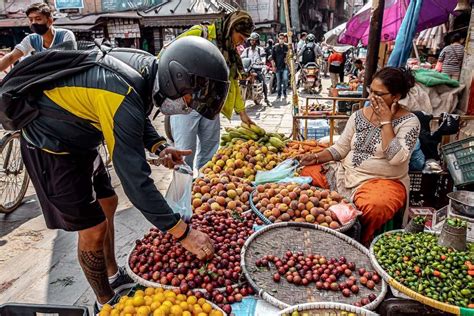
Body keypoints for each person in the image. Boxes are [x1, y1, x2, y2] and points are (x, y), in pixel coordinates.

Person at [8, 37, 227, 311]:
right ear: (177, 79)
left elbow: (135, 117)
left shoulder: (147, 69)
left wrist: (160, 146)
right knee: (93, 228)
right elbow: (135, 180)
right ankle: (105, 301)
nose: (190, 104)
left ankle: (114, 275)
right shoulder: (120, 91)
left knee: (108, 203)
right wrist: (182, 233)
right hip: (51, 146)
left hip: (82, 136)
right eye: (191, 96)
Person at [299, 67, 420, 245]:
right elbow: (340, 149)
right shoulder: (358, 116)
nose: (371, 98)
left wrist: (386, 121)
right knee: (307, 174)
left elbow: (396, 158)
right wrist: (316, 157)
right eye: (371, 91)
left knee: (375, 205)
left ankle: (358, 242)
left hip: (383, 181)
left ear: (396, 96)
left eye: (379, 94)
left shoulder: (410, 122)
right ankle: (326, 227)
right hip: (346, 173)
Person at [168, 10, 255, 170]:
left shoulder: (230, 51)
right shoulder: (201, 34)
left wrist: (242, 112)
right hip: (186, 106)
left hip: (211, 107)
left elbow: (233, 81)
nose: (241, 43)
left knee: (210, 157)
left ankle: (203, 190)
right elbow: (168, 55)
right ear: (231, 28)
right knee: (184, 155)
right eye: (240, 37)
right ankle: (183, 194)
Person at [0, 2, 76, 72]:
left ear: (50, 20)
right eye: (30, 20)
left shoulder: (65, 35)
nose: (34, 23)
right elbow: (11, 57)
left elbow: (68, 60)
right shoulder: (31, 39)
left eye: (38, 19)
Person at [241, 32, 270, 105]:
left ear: (257, 41)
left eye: (254, 40)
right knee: (241, 79)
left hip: (258, 68)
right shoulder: (246, 50)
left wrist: (262, 62)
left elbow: (263, 58)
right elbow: (242, 57)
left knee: (263, 80)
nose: (252, 42)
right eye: (251, 40)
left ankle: (266, 98)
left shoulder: (260, 49)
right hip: (248, 68)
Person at [272, 33, 289, 100]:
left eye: (282, 38)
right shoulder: (275, 47)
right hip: (277, 67)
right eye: (280, 38)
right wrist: (273, 66)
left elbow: (291, 56)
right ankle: (279, 94)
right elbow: (272, 58)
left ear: (284, 39)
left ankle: (284, 93)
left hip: (285, 67)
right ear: (278, 39)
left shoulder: (287, 47)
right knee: (279, 81)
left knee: (285, 80)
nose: (281, 40)